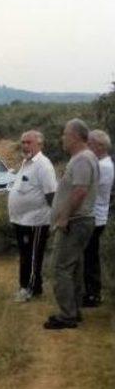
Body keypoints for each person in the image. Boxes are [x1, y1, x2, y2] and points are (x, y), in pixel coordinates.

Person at [45, 119, 99, 330]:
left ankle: (67, 315)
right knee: (73, 267)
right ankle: (73, 311)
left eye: (65, 134)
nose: (62, 138)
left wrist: (64, 217)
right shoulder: (82, 158)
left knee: (60, 268)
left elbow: (80, 191)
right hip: (78, 221)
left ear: (75, 136)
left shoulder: (83, 159)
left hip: (76, 222)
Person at [7, 130, 57, 302]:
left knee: (33, 256)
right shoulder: (26, 163)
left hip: (36, 221)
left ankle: (29, 289)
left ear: (40, 145)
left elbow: (51, 194)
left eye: (29, 142)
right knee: (25, 255)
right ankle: (31, 287)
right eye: (23, 142)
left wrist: (56, 219)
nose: (25, 146)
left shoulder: (43, 165)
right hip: (21, 220)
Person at [83, 129, 114, 307]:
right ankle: (92, 292)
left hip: (94, 217)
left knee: (90, 257)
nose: (88, 147)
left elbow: (85, 189)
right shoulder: (104, 164)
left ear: (101, 146)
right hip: (97, 216)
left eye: (91, 144)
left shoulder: (102, 166)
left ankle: (93, 294)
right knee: (90, 256)